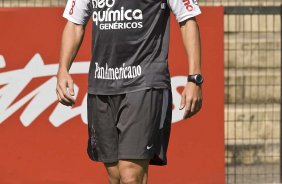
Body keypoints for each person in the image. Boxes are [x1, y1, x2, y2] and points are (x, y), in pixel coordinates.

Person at [56, 0, 203, 183]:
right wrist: (63, 69)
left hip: (144, 82)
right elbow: (75, 24)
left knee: (130, 174)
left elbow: (188, 19)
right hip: (102, 82)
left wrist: (194, 78)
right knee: (115, 175)